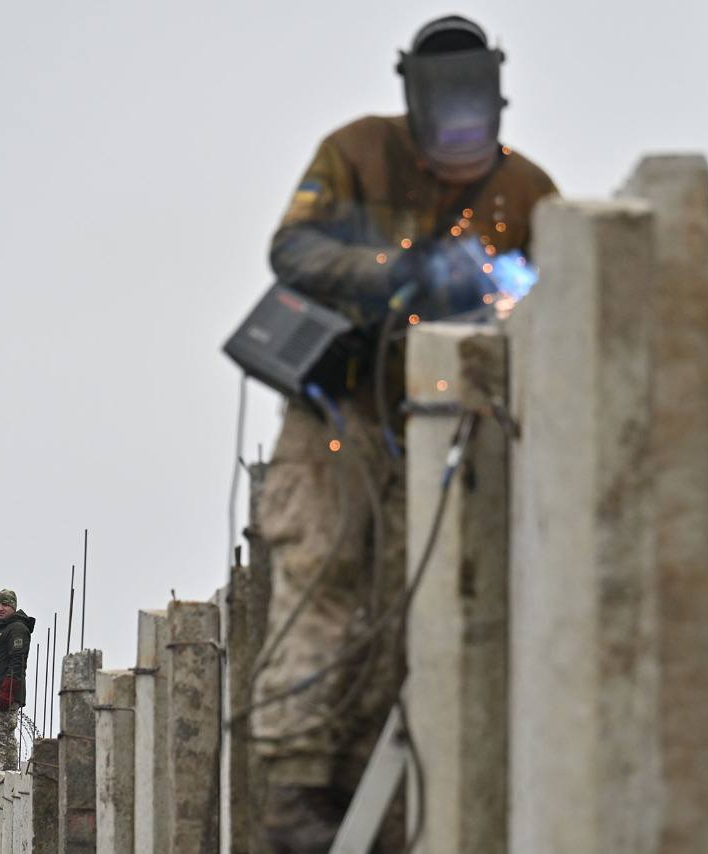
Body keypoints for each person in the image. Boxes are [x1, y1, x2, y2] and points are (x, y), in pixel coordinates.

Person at [249, 14, 558, 852]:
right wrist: (396, 272)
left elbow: (558, 308)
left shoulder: (527, 194)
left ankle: (373, 793)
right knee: (325, 569)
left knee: (413, 596)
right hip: (341, 409)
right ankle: (297, 788)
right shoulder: (355, 153)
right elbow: (294, 249)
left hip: (447, 422)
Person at [0, 588, 35, 772]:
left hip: (6, 691)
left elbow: (18, 660)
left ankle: (8, 776)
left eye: (5, 604)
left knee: (3, 736)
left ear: (13, 606)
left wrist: (9, 689)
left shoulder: (17, 628)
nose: (0, 608)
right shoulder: (2, 629)